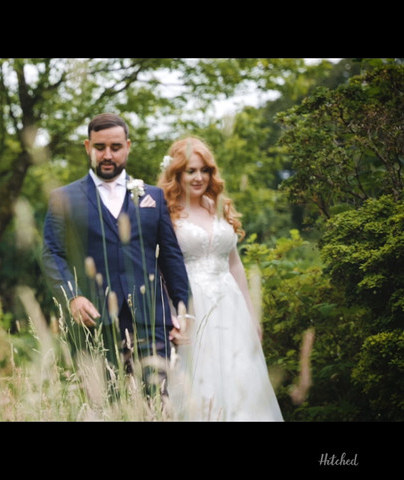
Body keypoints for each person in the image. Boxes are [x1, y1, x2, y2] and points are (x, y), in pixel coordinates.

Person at [42, 113, 191, 398]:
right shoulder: (64, 198)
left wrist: (185, 311)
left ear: (128, 146)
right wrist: (72, 297)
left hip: (151, 319)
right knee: (105, 405)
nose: (107, 155)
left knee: (156, 404)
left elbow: (170, 258)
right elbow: (52, 253)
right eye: (99, 147)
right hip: (95, 320)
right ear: (88, 147)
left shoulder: (154, 197)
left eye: (115, 147)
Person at [157, 135, 283, 421]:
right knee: (202, 381)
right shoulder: (167, 214)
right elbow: (161, 270)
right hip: (192, 307)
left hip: (231, 306)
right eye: (191, 170)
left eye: (205, 170)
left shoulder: (219, 207)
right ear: (177, 173)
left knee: (242, 379)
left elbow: (235, 265)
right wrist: (172, 318)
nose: (199, 177)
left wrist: (252, 316)